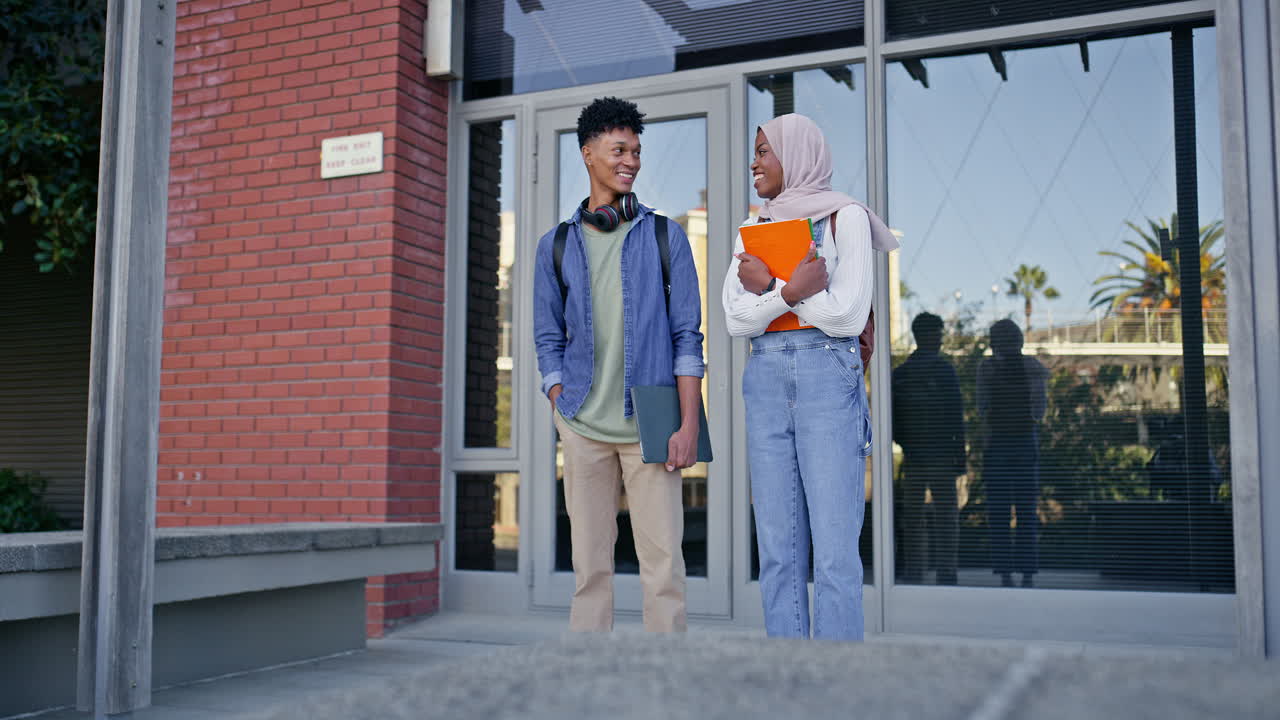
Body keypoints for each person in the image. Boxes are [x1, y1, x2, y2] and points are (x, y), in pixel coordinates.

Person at [533, 97, 705, 632]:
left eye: (636, 151)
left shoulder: (665, 236)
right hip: (583, 425)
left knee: (663, 568)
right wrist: (560, 398)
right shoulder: (557, 245)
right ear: (588, 153)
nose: (631, 161)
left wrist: (688, 424)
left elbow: (686, 338)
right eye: (619, 150)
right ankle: (591, 673)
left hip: (649, 427)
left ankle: (664, 674)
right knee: (590, 569)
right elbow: (547, 336)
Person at [723, 113, 897, 640]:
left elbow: (847, 317)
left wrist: (770, 289)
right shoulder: (754, 226)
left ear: (795, 155)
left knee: (835, 552)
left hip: (827, 375)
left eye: (763, 151)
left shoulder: (847, 217)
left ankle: (835, 676)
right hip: (766, 378)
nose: (754, 163)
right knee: (778, 551)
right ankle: (788, 671)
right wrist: (790, 291)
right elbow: (736, 320)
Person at [892, 312, 965, 585]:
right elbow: (956, 416)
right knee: (944, 517)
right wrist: (959, 456)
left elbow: (893, 419)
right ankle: (946, 573)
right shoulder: (942, 371)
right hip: (937, 456)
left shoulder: (902, 374)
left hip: (917, 455)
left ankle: (916, 572)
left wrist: (905, 443)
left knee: (914, 518)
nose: (940, 339)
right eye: (938, 334)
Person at [977, 319, 1048, 588]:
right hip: (1025, 442)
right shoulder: (1033, 367)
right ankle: (1028, 573)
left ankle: (1004, 573)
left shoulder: (987, 368)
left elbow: (982, 407)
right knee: (1027, 510)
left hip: (997, 444)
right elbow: (1039, 410)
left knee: (999, 511)